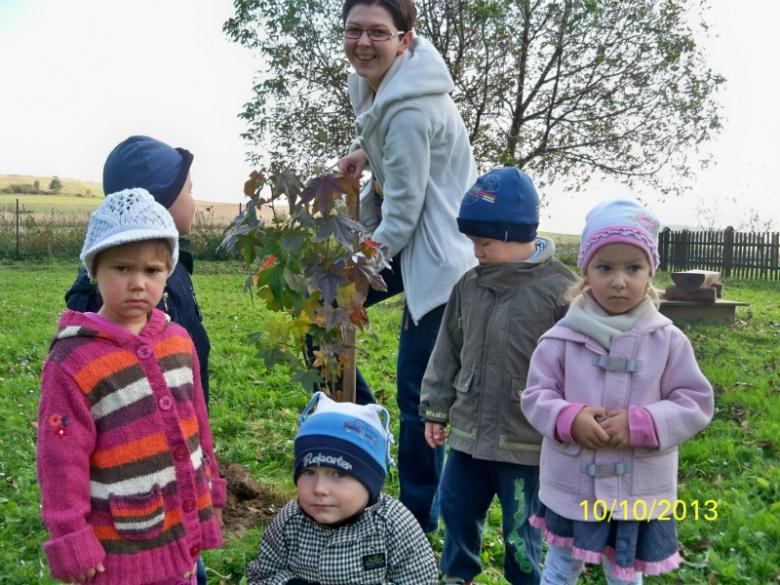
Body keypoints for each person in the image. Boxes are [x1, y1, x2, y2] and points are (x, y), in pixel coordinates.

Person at [335, 0, 478, 533]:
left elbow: (402, 216)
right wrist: (361, 153)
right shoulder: (371, 83)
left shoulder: (415, 109)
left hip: (437, 258)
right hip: (403, 244)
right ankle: (367, 423)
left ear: (405, 38)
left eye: (378, 32)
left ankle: (419, 522)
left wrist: (356, 268)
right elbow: (382, 134)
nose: (363, 43)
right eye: (354, 30)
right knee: (322, 315)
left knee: (421, 394)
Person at [37, 189, 225, 585]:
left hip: (181, 542)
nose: (138, 283)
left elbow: (198, 427)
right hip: (119, 555)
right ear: (95, 269)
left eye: (153, 271)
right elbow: (60, 457)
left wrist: (213, 492)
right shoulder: (73, 360)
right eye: (122, 269)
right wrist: (71, 536)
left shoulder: (177, 340)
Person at [521, 200, 715, 584]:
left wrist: (646, 423)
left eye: (633, 268)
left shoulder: (668, 341)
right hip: (573, 484)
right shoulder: (559, 340)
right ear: (586, 272)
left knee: (624, 571)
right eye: (605, 267)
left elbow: (695, 402)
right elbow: (535, 395)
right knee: (560, 566)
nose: (619, 280)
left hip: (637, 489)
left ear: (650, 274)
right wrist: (568, 417)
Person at [419, 168, 579, 585]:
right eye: (473, 242)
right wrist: (435, 408)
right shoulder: (469, 286)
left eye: (484, 243)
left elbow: (581, 363)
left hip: (524, 441)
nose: (476, 252)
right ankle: (457, 574)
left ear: (513, 235)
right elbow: (446, 350)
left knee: (521, 527)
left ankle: (525, 579)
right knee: (454, 506)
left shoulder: (563, 291)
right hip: (469, 434)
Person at [65, 136, 211, 406]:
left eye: (153, 270)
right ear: (161, 199)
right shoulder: (113, 296)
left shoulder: (172, 265)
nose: (194, 202)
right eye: (189, 191)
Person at [246, 391, 438, 585]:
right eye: (309, 473)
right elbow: (261, 576)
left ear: (370, 481)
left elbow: (420, 580)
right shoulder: (291, 521)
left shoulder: (395, 524)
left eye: (339, 474)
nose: (320, 489)